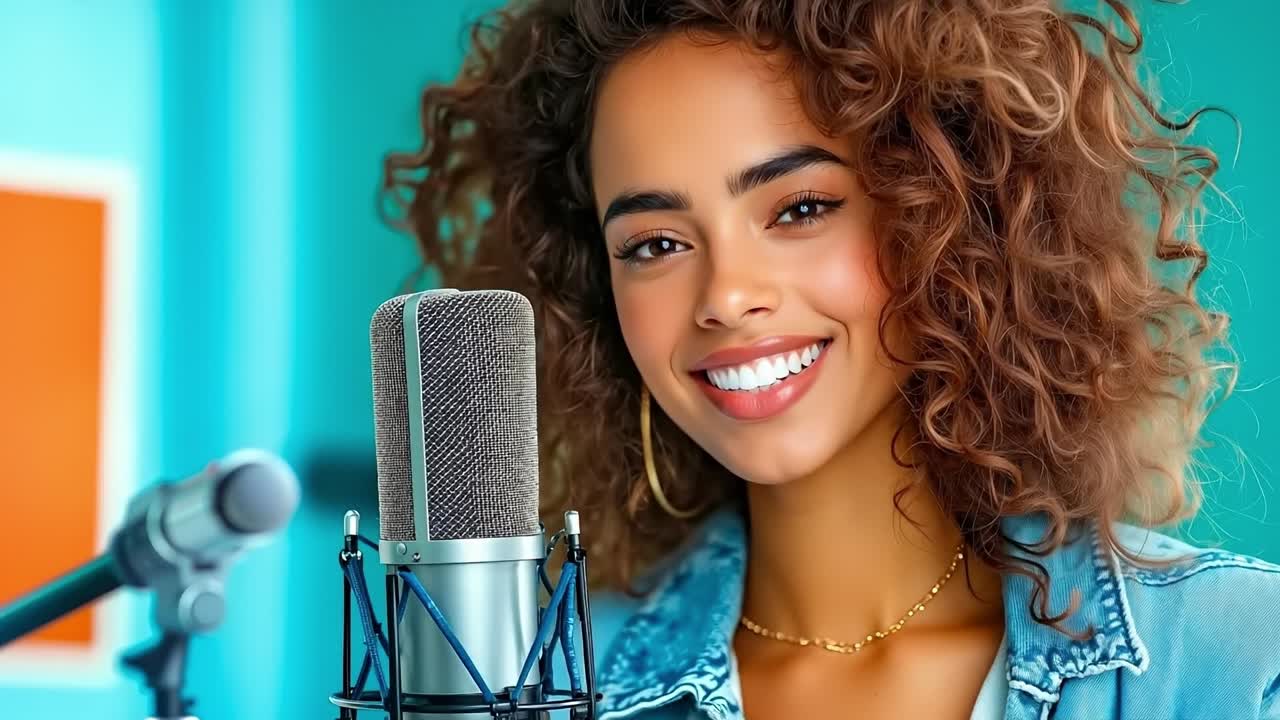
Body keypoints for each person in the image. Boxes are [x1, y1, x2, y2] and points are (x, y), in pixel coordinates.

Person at [382, 1, 1280, 718]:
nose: (725, 295)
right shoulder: (529, 687)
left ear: (947, 214)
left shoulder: (1234, 666)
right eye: (655, 244)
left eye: (800, 208)